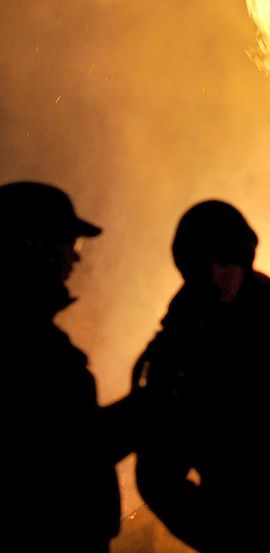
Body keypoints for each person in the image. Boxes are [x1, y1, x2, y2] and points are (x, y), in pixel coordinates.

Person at [133, 200, 270, 551]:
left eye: (224, 261)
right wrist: (219, 534)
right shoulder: (181, 335)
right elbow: (157, 470)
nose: (216, 275)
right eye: (201, 266)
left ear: (244, 257)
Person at [0, 181, 140, 552]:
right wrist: (146, 407)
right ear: (34, 246)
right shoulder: (29, 347)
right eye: (69, 244)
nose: (75, 259)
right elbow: (71, 453)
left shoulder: (32, 337)